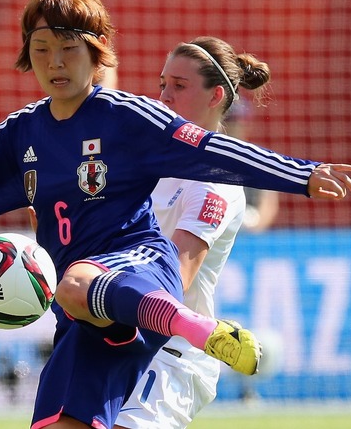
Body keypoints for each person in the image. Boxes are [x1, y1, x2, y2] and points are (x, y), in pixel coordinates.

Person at [0, 0, 351, 429]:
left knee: (77, 280)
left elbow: (210, 149)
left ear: (96, 52)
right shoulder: (21, 136)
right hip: (83, 317)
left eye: (68, 50)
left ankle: (202, 329)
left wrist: (303, 175)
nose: (54, 64)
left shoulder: (129, 118)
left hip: (144, 274)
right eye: (41, 52)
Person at [114, 37, 270, 429]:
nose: (164, 96)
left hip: (171, 354)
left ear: (215, 96)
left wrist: (93, 290)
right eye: (162, 84)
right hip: (117, 338)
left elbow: (174, 279)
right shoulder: (144, 158)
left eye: (179, 87)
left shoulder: (215, 181)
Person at [224, 99, 280, 232]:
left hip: (247, 234)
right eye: (227, 121)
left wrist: (254, 228)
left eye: (235, 121)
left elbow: (268, 205)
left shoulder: (258, 158)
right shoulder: (203, 154)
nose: (230, 126)